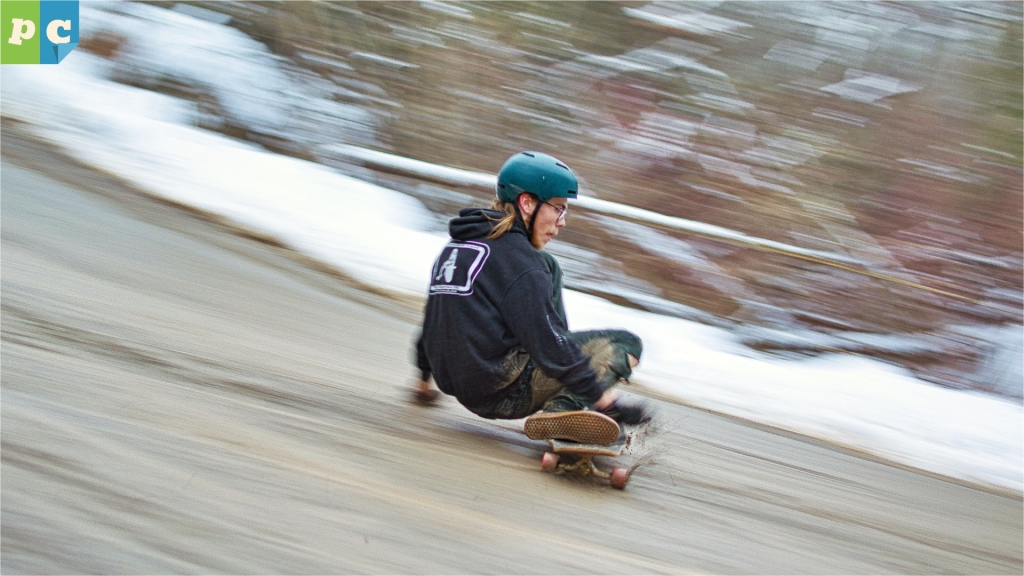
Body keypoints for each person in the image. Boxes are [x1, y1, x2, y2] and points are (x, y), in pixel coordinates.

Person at [412, 151, 652, 444]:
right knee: (627, 343)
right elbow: (546, 341)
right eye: (559, 208)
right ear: (527, 203)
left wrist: (423, 380)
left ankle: (571, 393)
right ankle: (565, 410)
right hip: (503, 390)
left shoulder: (456, 249)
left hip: (461, 387)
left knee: (548, 266)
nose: (562, 221)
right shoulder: (522, 264)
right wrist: (604, 401)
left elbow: (435, 320)